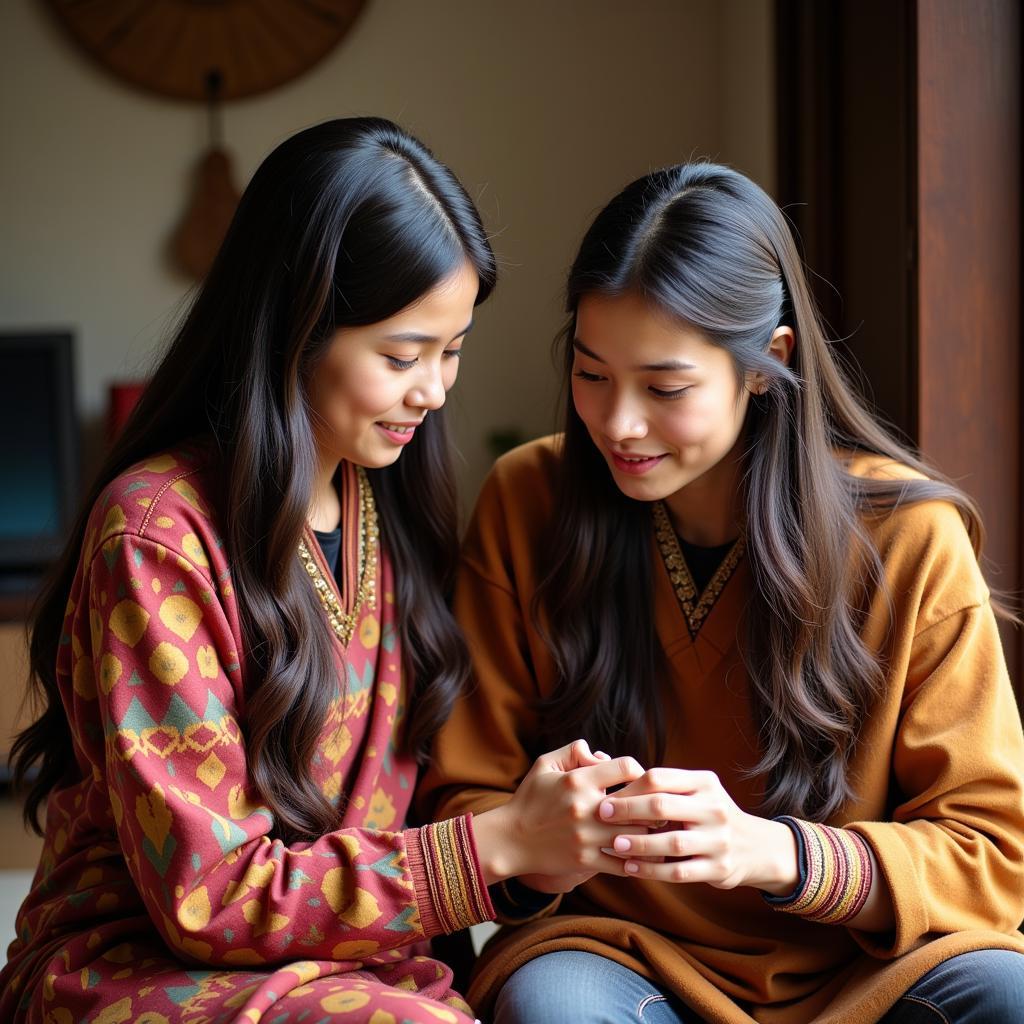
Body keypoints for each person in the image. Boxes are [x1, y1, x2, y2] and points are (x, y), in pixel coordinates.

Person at [0, 117, 645, 1024]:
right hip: (138, 966)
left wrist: (532, 860)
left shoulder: (387, 499)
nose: (434, 390)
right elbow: (206, 897)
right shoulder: (154, 535)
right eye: (401, 355)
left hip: (350, 966)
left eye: (451, 351)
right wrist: (490, 845)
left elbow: (406, 824)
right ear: (295, 328)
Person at [419, 161, 1024, 1023]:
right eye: (591, 374)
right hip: (619, 954)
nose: (618, 424)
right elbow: (462, 795)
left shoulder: (908, 539)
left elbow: (993, 857)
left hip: (866, 971)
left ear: (763, 364)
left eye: (665, 388)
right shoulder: (529, 500)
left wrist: (773, 853)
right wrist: (548, 840)